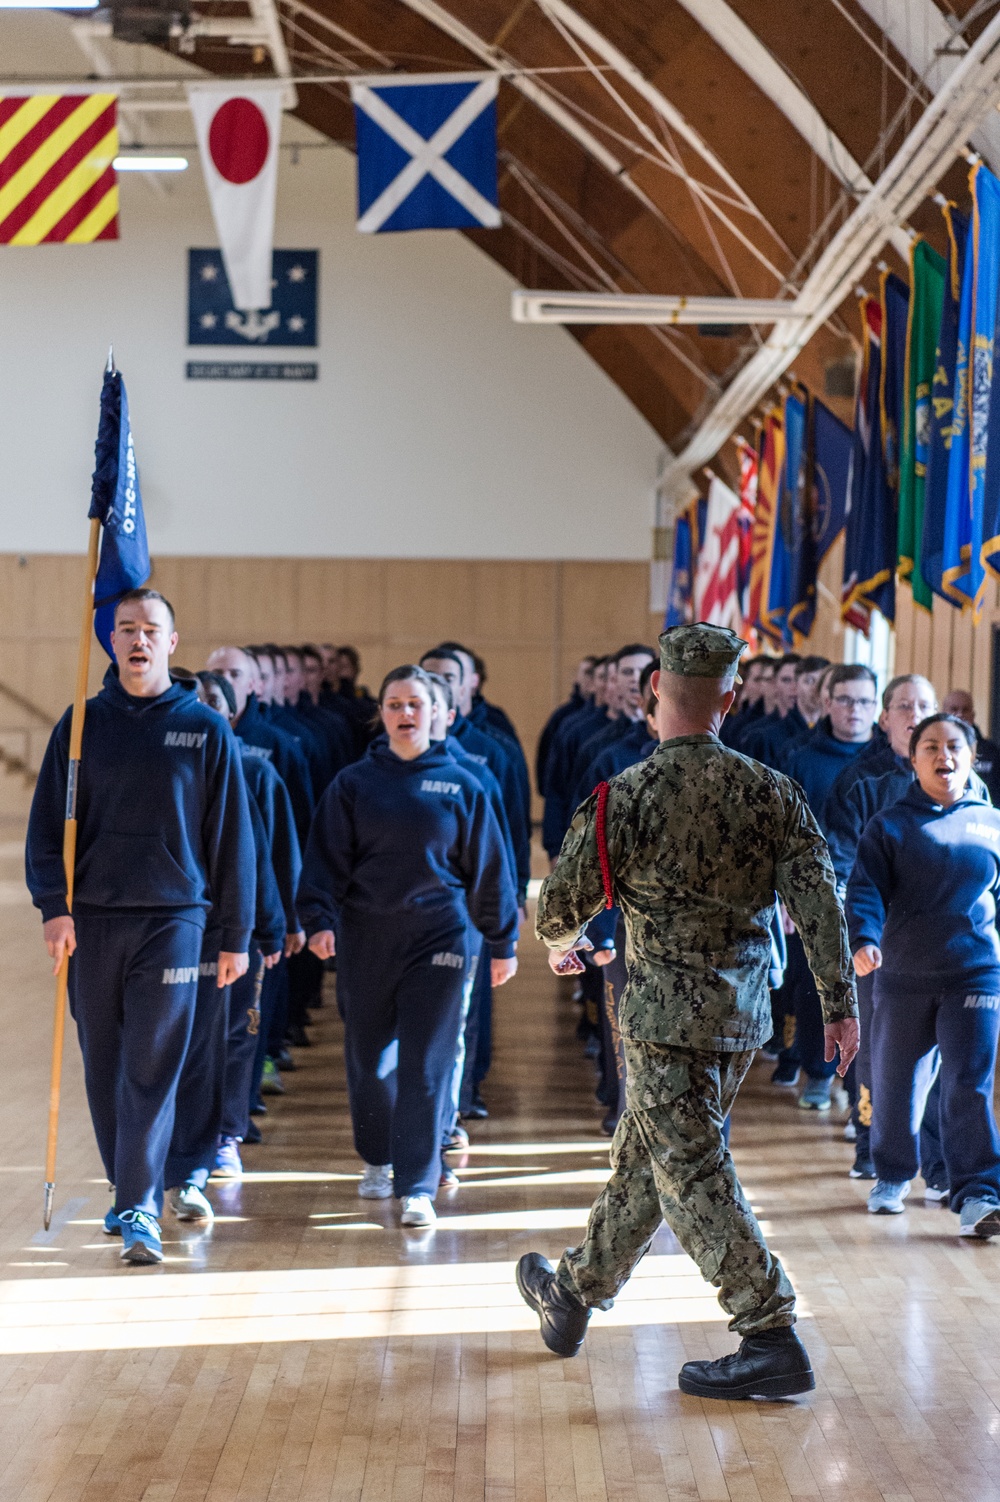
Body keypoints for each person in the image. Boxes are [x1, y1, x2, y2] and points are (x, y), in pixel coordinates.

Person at [517, 625, 857, 1400]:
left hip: (663, 1019)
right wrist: (839, 1007)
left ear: (653, 698)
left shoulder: (623, 796)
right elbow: (823, 910)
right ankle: (570, 1296)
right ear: (732, 699)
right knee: (655, 1157)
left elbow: (559, 909)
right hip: (741, 1016)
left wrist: (566, 945)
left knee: (690, 1164)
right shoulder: (775, 793)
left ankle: (769, 1330)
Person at [26, 589, 255, 1265]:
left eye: (151, 629)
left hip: (175, 923)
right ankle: (131, 1186)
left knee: (153, 1067)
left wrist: (237, 935)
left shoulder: (206, 730)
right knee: (104, 1064)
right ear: (111, 640)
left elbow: (232, 842)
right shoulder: (81, 726)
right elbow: (47, 827)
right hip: (93, 921)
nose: (138, 639)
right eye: (126, 628)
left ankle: (139, 1206)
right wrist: (54, 906)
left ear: (172, 643)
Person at [297, 665, 519, 1228]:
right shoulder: (353, 784)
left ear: (441, 715)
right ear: (382, 713)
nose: (405, 714)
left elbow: (492, 871)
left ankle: (417, 1183)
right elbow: (324, 863)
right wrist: (318, 919)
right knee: (371, 1062)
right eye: (394, 704)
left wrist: (501, 940)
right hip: (366, 938)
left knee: (426, 1063)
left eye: (416, 705)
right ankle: (377, 1158)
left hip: (440, 939)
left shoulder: (465, 784)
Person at [847, 714, 1000, 1236]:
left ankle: (978, 1193)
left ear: (971, 756)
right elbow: (864, 889)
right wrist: (864, 938)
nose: (944, 755)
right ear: (913, 760)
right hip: (903, 975)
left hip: (975, 975)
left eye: (954, 746)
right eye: (930, 746)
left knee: (968, 1085)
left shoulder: (992, 824)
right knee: (895, 1084)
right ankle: (892, 1175)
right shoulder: (890, 824)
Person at [781, 663, 879, 1110]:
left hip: (872, 895)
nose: (854, 709)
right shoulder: (801, 756)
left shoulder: (887, 759)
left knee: (868, 993)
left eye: (864, 700)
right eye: (845, 699)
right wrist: (784, 893)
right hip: (812, 895)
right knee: (812, 986)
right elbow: (780, 832)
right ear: (827, 703)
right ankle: (817, 1072)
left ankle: (860, 1088)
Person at [536, 657, 595, 797]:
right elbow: (546, 755)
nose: (591, 679)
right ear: (577, 678)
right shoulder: (563, 717)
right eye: (587, 673)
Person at [943, 689, 1000, 804]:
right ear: (943, 712)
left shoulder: (992, 753)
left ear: (973, 715)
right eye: (954, 709)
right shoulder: (933, 750)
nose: (960, 714)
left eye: (965, 710)